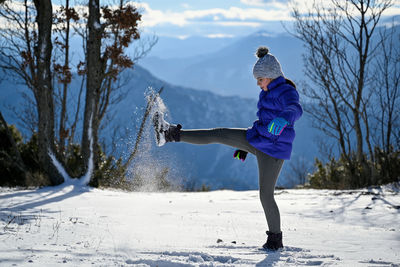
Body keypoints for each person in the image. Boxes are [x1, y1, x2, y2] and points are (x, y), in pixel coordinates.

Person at [152, 46, 303, 250]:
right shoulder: (268, 90)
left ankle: (275, 240)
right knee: (219, 133)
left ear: (270, 76)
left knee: (266, 195)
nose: (258, 84)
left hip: (273, 150)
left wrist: (284, 118)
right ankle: (169, 134)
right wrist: (245, 147)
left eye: (260, 79)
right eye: (257, 80)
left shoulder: (286, 91)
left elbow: (295, 108)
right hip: (256, 138)